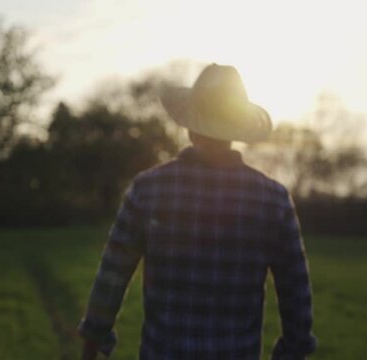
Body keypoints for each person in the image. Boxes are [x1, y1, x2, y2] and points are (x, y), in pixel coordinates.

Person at [78, 64, 316, 359]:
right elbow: (297, 295)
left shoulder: (148, 190)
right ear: (237, 129)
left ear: (190, 126)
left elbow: (111, 277)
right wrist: (292, 350)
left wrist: (92, 343)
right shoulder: (274, 200)